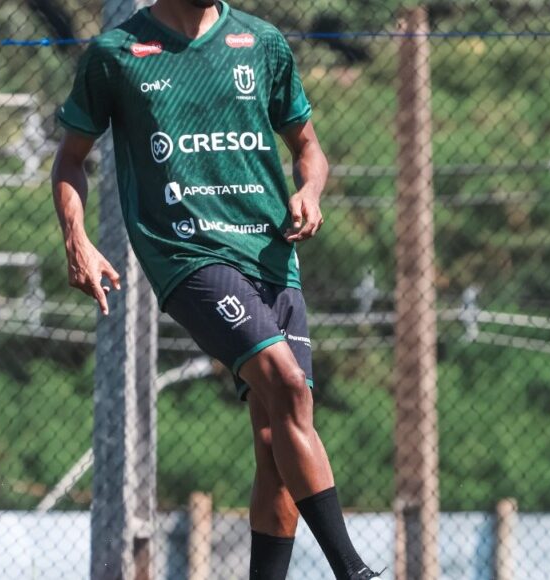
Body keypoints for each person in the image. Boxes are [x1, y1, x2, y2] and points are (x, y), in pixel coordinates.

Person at [51, 1, 381, 578]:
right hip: (189, 256)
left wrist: (310, 192)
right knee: (289, 387)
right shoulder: (116, 55)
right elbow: (70, 159)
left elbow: (309, 148)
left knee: (276, 442)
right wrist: (76, 238)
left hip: (272, 255)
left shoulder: (261, 42)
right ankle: (353, 571)